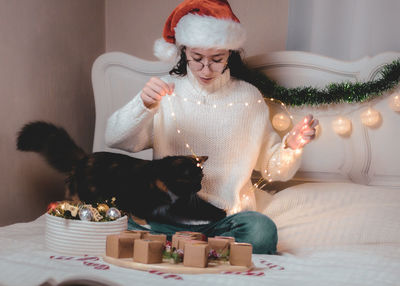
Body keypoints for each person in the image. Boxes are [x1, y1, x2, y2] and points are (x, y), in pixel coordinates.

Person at [105, 0, 319, 254]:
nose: (205, 69)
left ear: (230, 52)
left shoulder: (249, 98)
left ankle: (188, 249)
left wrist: (291, 146)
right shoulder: (165, 91)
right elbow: (115, 138)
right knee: (113, 220)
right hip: (170, 217)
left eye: (217, 59)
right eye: (197, 58)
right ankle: (199, 250)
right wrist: (143, 104)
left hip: (226, 221)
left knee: (262, 231)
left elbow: (275, 170)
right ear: (184, 51)